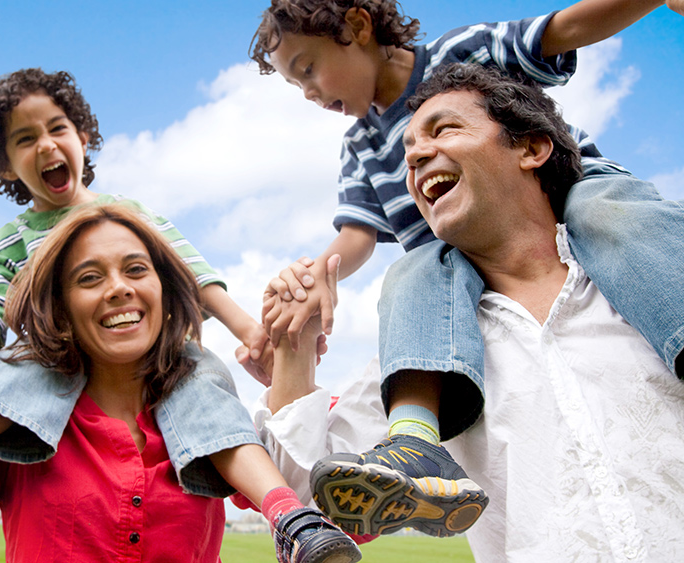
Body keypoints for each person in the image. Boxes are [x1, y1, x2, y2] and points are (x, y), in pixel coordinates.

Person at [246, 0, 684, 536]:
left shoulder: (461, 54)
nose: (309, 93)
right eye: (297, 87)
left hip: (578, 194)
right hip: (450, 263)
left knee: (607, 215)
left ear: (357, 28)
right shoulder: (360, 147)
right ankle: (413, 443)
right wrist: (315, 277)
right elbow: (356, 235)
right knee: (414, 270)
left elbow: (563, 28)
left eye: (307, 70)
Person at [0, 68, 349, 545]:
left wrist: (249, 332)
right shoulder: (11, 240)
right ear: (7, 166)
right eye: (25, 139)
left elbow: (191, 270)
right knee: (11, 369)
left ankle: (291, 520)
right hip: (51, 358)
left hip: (164, 359)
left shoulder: (131, 216)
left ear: (83, 138)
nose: (46, 145)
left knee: (211, 397)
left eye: (56, 129)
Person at [0, 204, 362, 562]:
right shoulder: (13, 432)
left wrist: (296, 342)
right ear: (61, 306)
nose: (118, 289)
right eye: (89, 278)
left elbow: (344, 524)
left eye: (136, 269)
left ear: (165, 290)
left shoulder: (210, 426)